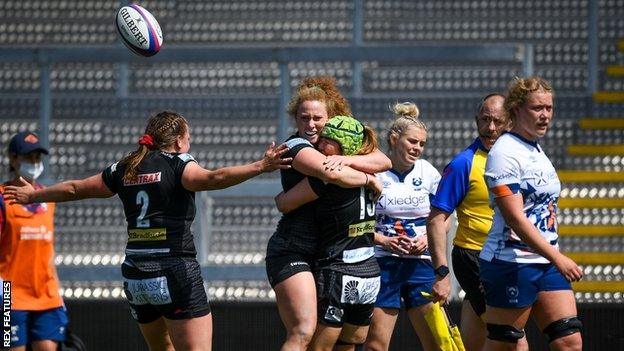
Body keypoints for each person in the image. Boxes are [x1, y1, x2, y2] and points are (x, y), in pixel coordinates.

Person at [4, 111, 291, 351]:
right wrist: (261, 165)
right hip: (174, 269)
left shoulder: (124, 167)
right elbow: (213, 178)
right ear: (179, 141)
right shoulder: (178, 164)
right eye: (188, 139)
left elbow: (75, 188)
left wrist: (33, 196)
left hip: (136, 275)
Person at [265, 77, 391, 351]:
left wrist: (347, 159)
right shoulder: (295, 146)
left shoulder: (335, 146)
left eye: (317, 118)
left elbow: (384, 160)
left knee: (342, 339)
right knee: (303, 331)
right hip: (293, 249)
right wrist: (369, 180)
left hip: (324, 253)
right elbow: (328, 173)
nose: (310, 124)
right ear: (295, 119)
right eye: (303, 117)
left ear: (330, 118)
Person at [479, 77, 582, 351]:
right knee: (506, 345)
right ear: (516, 109)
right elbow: (514, 218)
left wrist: (551, 256)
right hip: (510, 262)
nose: (545, 114)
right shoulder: (504, 152)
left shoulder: (536, 150)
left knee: (569, 341)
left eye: (549, 108)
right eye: (537, 108)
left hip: (545, 261)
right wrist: (557, 257)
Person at [427, 93, 530, 351]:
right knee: (514, 340)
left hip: (508, 258)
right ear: (476, 121)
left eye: (497, 121)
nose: (490, 128)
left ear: (510, 122)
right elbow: (437, 220)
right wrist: (441, 273)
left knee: (475, 341)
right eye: (485, 120)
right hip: (475, 258)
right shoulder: (464, 163)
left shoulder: (521, 158)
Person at [365, 102, 447, 351]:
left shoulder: (429, 173)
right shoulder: (374, 173)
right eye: (412, 141)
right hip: (383, 264)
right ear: (393, 139)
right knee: (376, 346)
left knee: (438, 343)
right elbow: (357, 222)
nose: (417, 148)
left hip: (421, 264)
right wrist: (384, 240)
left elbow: (444, 216)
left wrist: (426, 237)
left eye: (422, 144)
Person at [0, 131, 67, 351]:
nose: (35, 162)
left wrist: (58, 293)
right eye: (29, 157)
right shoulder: (2, 199)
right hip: (10, 296)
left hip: (46, 295)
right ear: (13, 159)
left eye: (38, 157)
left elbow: (48, 251)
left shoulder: (49, 198)